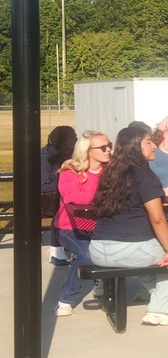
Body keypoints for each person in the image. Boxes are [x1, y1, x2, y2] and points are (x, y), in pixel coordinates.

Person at [90, 126, 168, 326]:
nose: (154, 146)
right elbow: (158, 219)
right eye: (148, 142)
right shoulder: (145, 176)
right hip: (129, 250)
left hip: (98, 249)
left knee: (152, 262)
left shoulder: (109, 174)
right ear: (136, 147)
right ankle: (158, 311)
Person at [51, 132, 113, 315]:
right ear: (88, 151)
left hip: (100, 225)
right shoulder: (70, 171)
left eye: (109, 145)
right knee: (87, 253)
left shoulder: (110, 170)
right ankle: (66, 299)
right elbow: (72, 197)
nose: (109, 149)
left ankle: (103, 282)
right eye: (103, 147)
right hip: (69, 227)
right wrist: (103, 197)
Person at [42, 125, 77, 264]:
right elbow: (43, 186)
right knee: (62, 206)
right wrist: (64, 184)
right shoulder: (45, 158)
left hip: (60, 194)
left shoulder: (68, 156)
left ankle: (72, 242)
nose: (76, 140)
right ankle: (55, 251)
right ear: (65, 140)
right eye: (74, 137)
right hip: (43, 199)